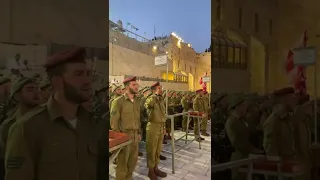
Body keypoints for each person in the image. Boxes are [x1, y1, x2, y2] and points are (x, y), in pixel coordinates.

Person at [4, 48, 103, 180]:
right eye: (78, 74)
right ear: (58, 82)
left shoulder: (91, 123)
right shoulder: (27, 128)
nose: (87, 80)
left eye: (87, 74)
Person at [225, 96, 264, 180]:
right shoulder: (232, 122)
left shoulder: (241, 120)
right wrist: (254, 150)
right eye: (243, 105)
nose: (246, 107)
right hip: (239, 158)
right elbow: (237, 142)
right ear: (237, 106)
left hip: (246, 156)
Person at [110, 76, 141, 180]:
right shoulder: (118, 101)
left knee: (132, 162)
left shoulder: (137, 101)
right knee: (122, 165)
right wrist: (120, 139)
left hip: (135, 136)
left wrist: (139, 133)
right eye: (134, 85)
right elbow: (114, 123)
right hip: (124, 137)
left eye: (137, 85)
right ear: (127, 87)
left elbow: (138, 119)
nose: (137, 87)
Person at [145, 82, 167, 179]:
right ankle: (150, 171)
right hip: (153, 127)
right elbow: (148, 105)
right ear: (154, 90)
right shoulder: (150, 99)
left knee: (158, 150)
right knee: (151, 150)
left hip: (160, 127)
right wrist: (155, 95)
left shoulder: (161, 100)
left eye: (161, 87)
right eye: (159, 88)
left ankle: (156, 168)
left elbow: (163, 115)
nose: (161, 89)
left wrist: (164, 127)